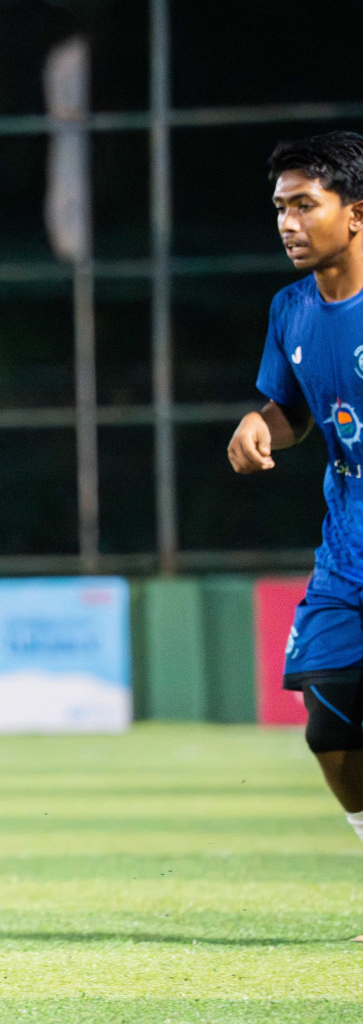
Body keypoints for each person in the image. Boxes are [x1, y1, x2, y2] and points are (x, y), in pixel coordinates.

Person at [228, 130, 363, 874]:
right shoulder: (291, 309)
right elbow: (295, 411)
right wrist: (260, 423)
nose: (288, 222)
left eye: (305, 205)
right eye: (281, 208)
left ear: (356, 213)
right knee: (330, 733)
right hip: (346, 556)